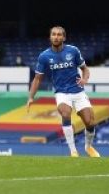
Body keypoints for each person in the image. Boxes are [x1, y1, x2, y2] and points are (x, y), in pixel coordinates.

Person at [27, 26, 101, 157]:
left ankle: (88, 147)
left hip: (78, 91)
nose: (56, 37)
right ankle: (73, 151)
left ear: (64, 37)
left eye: (59, 35)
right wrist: (31, 97)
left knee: (90, 122)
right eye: (53, 34)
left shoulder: (73, 51)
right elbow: (37, 79)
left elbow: (85, 69)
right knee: (65, 113)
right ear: (50, 37)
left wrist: (85, 79)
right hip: (61, 93)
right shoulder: (44, 56)